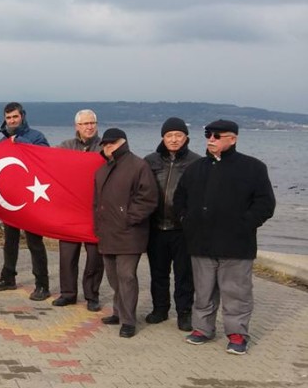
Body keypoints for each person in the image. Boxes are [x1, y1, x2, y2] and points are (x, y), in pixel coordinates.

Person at [175, 119, 275, 355]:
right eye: (208, 134)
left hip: (236, 244)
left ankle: (237, 333)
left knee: (236, 292)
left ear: (233, 138)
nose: (211, 139)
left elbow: (265, 203)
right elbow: (180, 199)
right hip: (201, 243)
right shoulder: (195, 168)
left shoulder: (253, 168)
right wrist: (186, 220)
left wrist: (245, 224)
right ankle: (203, 329)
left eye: (217, 136)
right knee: (203, 291)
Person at [93, 128, 158, 338]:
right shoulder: (102, 170)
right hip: (108, 232)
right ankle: (118, 311)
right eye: (105, 144)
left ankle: (128, 321)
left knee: (127, 276)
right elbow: (97, 203)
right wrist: (98, 225)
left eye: (112, 143)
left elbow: (147, 199)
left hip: (130, 234)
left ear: (123, 143)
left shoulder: (138, 165)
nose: (107, 147)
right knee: (113, 277)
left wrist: (128, 219)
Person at [0, 103, 51, 301]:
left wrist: (19, 141)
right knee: (10, 241)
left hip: (33, 196)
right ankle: (8, 277)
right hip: (11, 197)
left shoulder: (36, 136)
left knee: (34, 243)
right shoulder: (3, 140)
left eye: (15, 117)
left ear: (22, 116)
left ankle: (42, 284)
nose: (12, 121)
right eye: (9, 118)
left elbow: (46, 158)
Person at [143, 117, 201, 331]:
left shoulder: (196, 162)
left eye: (178, 135)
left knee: (184, 274)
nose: (174, 139)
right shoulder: (150, 161)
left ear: (186, 138)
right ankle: (160, 309)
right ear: (163, 138)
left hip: (183, 229)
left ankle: (184, 313)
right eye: (169, 135)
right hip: (156, 227)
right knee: (158, 272)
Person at [54, 109, 104, 311]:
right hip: (70, 212)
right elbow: (44, 159)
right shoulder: (66, 146)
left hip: (95, 211)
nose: (89, 127)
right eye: (85, 124)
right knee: (67, 256)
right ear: (77, 127)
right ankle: (68, 293)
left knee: (94, 257)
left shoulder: (105, 147)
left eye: (92, 123)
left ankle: (92, 295)